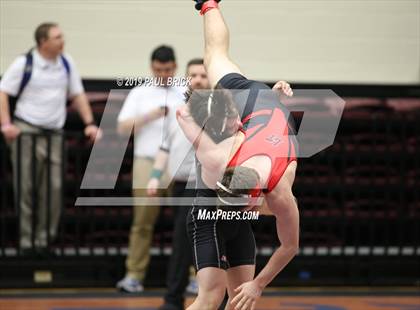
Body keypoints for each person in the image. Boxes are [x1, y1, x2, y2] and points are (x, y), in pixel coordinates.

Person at [175, 1, 299, 309]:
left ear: (256, 198)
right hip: (258, 107)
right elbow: (183, 113)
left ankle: (209, 5)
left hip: (262, 109)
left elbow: (291, 245)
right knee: (216, 58)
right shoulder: (222, 157)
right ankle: (208, 5)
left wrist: (258, 285)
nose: (245, 212)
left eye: (244, 209)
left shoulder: (281, 190)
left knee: (243, 297)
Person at [0, 22, 101, 254]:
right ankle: (27, 241)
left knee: (54, 189)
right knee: (25, 187)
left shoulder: (66, 63)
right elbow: (3, 91)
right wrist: (6, 124)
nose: (62, 40)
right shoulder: (24, 63)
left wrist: (89, 124)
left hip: (54, 133)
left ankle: (44, 240)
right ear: (43, 42)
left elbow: (77, 94)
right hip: (27, 131)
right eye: (57, 37)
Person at [116, 45, 186, 293]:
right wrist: (150, 116)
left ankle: (199, 277)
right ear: (151, 67)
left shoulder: (186, 90)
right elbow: (122, 128)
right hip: (147, 160)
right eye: (158, 70)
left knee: (190, 221)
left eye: (167, 69)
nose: (163, 74)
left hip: (179, 162)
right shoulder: (140, 92)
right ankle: (134, 275)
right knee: (143, 221)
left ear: (175, 67)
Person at [146, 58, 209, 310]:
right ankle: (174, 299)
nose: (197, 79)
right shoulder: (177, 110)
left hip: (205, 187)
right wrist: (154, 177)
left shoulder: (220, 109)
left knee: (202, 244)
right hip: (180, 187)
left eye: (203, 75)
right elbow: (165, 147)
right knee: (182, 244)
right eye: (193, 75)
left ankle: (210, 298)